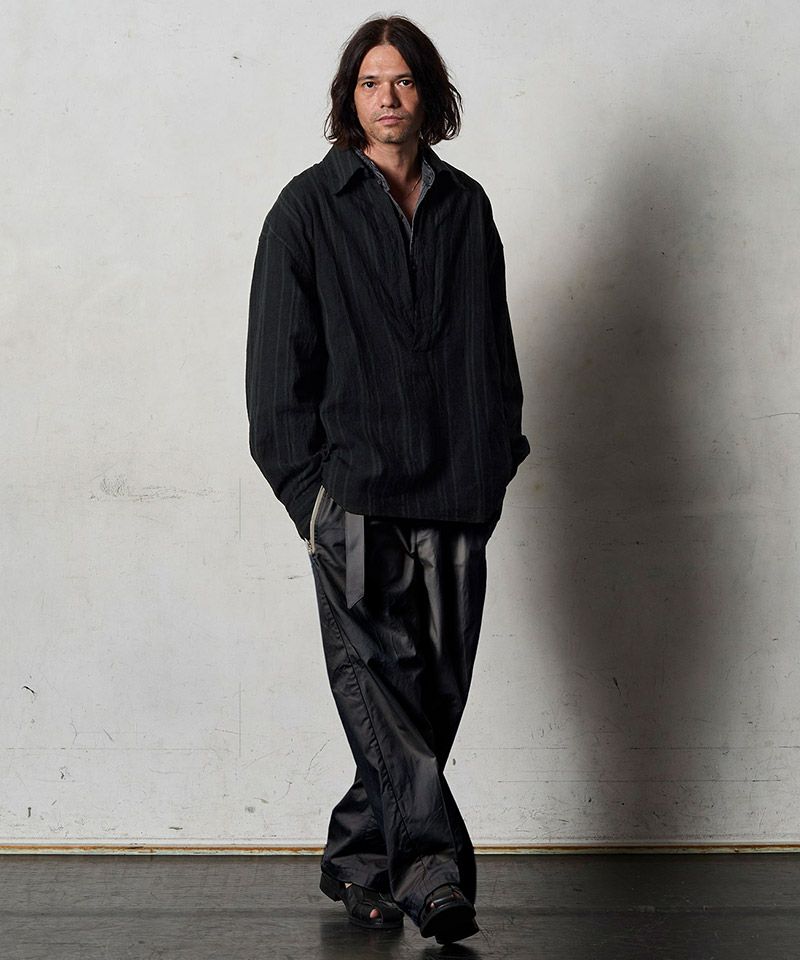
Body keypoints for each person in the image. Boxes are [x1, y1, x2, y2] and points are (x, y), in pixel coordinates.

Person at [245, 14, 529, 945]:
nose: (387, 97)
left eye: (403, 80)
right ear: (349, 98)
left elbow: (494, 345)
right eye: (371, 83)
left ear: (428, 94)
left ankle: (358, 859)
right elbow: (274, 371)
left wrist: (498, 457)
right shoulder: (306, 208)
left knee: (428, 700)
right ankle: (432, 875)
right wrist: (310, 498)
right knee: (383, 692)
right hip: (356, 501)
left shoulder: (467, 205)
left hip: (459, 492)